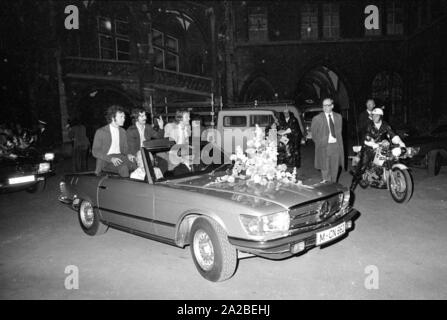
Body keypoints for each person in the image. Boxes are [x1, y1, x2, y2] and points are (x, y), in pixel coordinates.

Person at [350, 107, 405, 191]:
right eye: (373, 115)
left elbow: (393, 135)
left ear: (381, 116)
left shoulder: (385, 125)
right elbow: (367, 138)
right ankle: (352, 186)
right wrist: (373, 144)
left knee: (393, 157)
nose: (374, 117)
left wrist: (401, 143)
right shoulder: (369, 126)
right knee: (362, 166)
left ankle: (383, 175)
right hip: (369, 148)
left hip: (382, 147)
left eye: (377, 116)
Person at [92, 105, 137, 177]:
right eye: (121, 117)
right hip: (106, 160)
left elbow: (125, 149)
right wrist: (111, 159)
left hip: (120, 157)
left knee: (136, 163)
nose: (124, 119)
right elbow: (95, 151)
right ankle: (126, 187)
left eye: (124, 117)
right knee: (123, 168)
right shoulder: (101, 131)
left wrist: (129, 155)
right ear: (113, 118)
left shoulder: (122, 131)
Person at [311, 98, 345, 183]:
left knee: (335, 171)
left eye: (328, 105)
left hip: (336, 147)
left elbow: (339, 133)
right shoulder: (317, 118)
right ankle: (327, 190)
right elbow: (314, 135)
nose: (325, 107)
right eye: (324, 105)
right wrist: (321, 143)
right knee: (325, 172)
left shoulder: (338, 117)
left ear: (332, 106)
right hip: (324, 148)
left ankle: (333, 189)